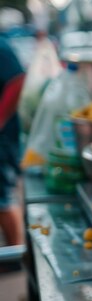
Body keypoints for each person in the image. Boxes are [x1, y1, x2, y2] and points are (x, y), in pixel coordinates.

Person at [0, 36, 25, 246]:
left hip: (2, 139)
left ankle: (14, 256)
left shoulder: (1, 47)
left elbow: (17, 81)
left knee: (3, 199)